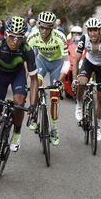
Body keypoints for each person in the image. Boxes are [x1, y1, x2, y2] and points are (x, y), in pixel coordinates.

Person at [0, 16, 38, 166]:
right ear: (6, 35)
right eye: (12, 37)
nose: (15, 41)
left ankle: (17, 133)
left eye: (19, 38)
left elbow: (34, 79)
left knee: (18, 103)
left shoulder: (27, 50)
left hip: (17, 76)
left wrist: (33, 104)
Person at [73, 18, 101, 141]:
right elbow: (76, 59)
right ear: (87, 31)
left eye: (95, 30)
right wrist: (74, 79)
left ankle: (97, 126)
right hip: (88, 63)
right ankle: (78, 104)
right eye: (90, 31)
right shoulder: (84, 39)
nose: (92, 33)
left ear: (99, 31)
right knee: (82, 82)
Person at [26, 11, 69, 146]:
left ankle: (54, 129)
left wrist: (59, 80)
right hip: (42, 62)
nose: (44, 30)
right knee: (36, 83)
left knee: (54, 98)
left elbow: (67, 61)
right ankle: (33, 114)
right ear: (38, 25)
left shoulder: (60, 37)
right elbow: (27, 60)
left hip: (57, 64)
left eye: (47, 28)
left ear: (52, 28)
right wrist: (24, 78)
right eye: (41, 27)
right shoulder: (32, 36)